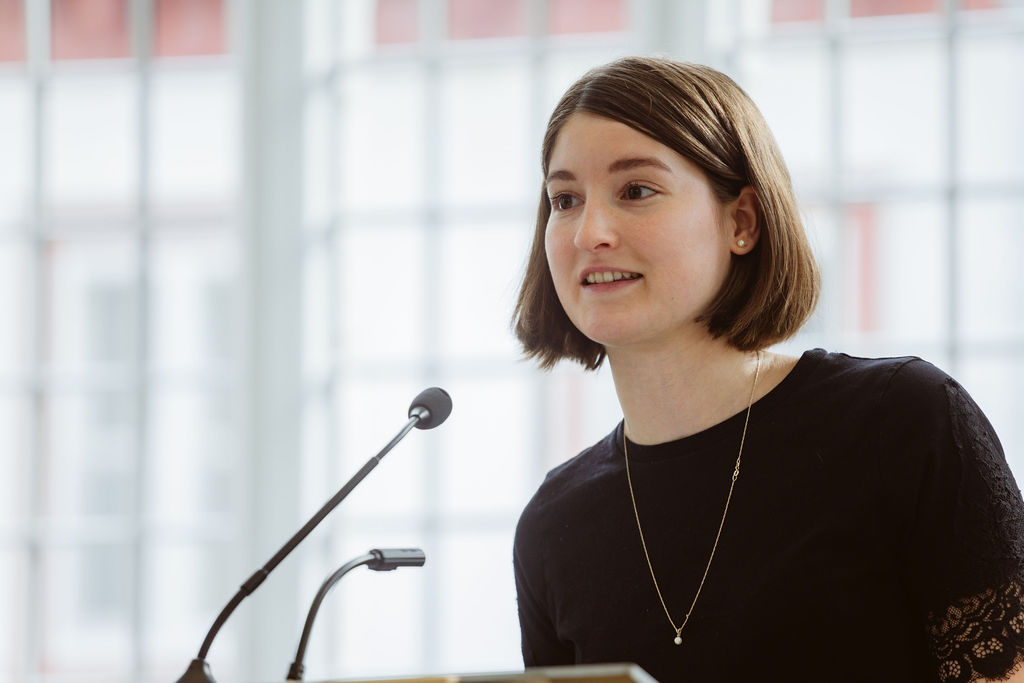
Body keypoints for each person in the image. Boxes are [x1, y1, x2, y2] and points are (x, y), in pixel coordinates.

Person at [511, 56, 1024, 683]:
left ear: (742, 222)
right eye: (564, 200)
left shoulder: (905, 421)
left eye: (636, 190)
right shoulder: (552, 524)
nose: (589, 232)